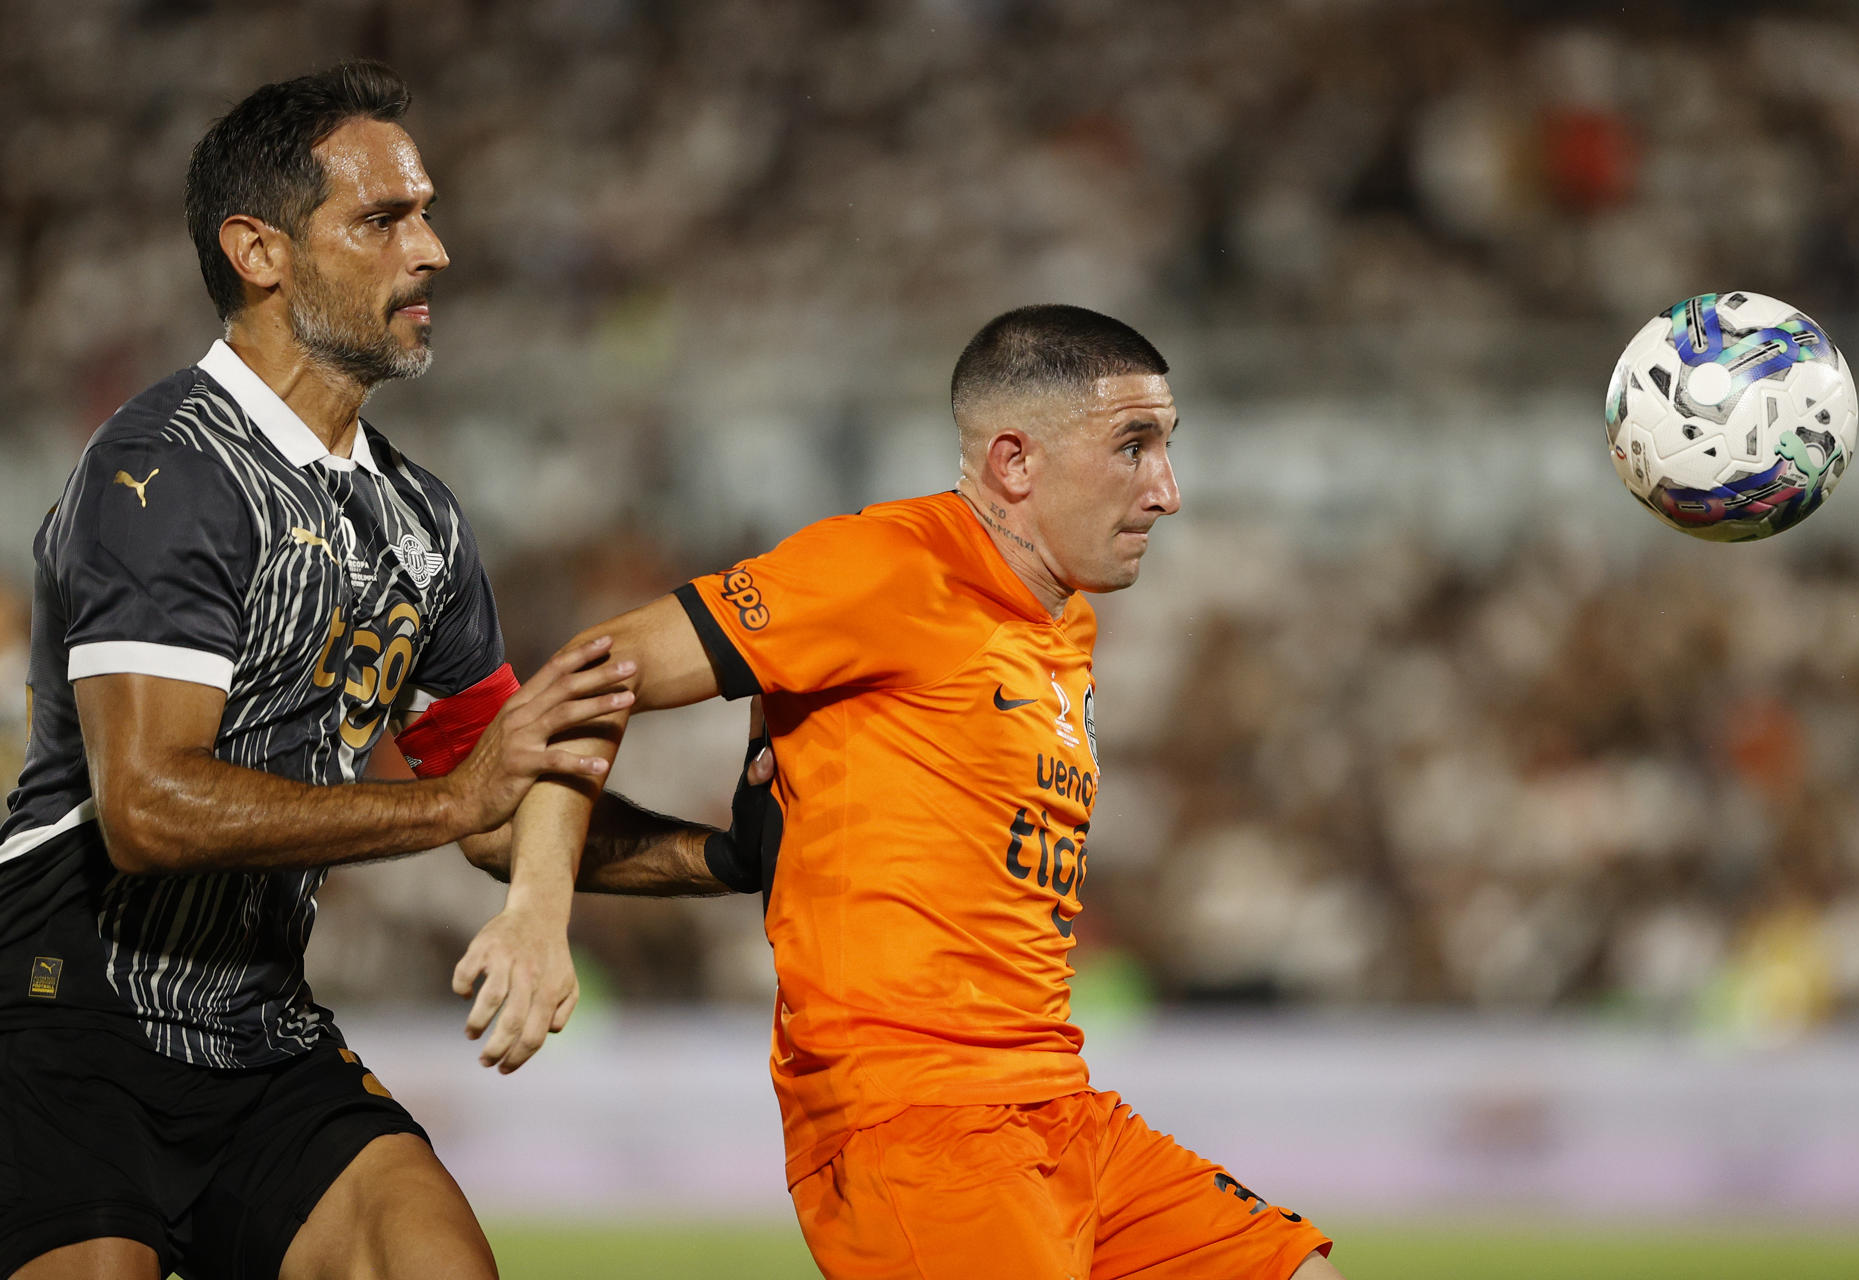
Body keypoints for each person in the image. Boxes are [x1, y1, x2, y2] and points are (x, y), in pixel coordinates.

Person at [0, 61, 764, 1280]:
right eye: (385, 217)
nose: (436, 250)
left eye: (427, 211)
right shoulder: (161, 471)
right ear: (260, 250)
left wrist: (728, 857)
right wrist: (453, 800)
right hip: (60, 1011)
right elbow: (145, 807)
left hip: (256, 1023)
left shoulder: (423, 523)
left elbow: (510, 804)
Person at [458, 305, 1343, 1279]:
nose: (1167, 490)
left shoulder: (1067, 625)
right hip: (919, 1126)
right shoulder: (886, 566)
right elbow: (599, 667)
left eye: (1168, 446)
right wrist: (539, 913)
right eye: (1133, 446)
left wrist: (729, 856)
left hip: (1063, 1107)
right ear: (1014, 462)